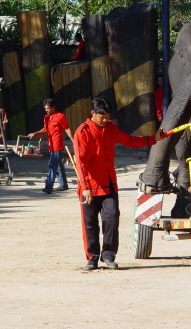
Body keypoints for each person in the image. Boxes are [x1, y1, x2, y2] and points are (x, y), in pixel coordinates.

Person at [73, 97, 164, 271]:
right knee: (90, 224)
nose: (105, 120)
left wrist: (154, 138)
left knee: (112, 219)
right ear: (93, 113)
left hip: (109, 184)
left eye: (108, 116)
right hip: (89, 187)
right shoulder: (82, 132)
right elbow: (81, 163)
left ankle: (108, 256)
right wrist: (85, 187)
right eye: (102, 116)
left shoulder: (111, 128)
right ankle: (92, 259)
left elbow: (130, 141)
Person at [28, 99, 73, 194]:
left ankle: (48, 187)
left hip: (57, 144)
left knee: (52, 165)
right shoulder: (46, 117)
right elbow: (45, 129)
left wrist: (73, 140)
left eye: (48, 108)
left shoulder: (60, 116)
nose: (46, 110)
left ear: (53, 107)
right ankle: (63, 185)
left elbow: (67, 128)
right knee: (58, 165)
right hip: (50, 144)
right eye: (45, 109)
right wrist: (35, 133)